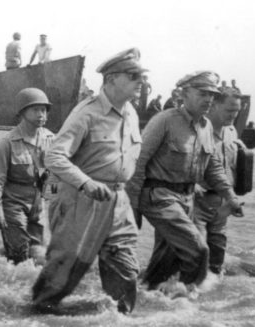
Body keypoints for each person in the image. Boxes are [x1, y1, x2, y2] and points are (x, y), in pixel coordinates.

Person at [32, 48, 146, 314]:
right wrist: (86, 183)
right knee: (63, 274)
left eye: (140, 76)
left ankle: (120, 318)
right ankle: (35, 316)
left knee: (126, 269)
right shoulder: (87, 113)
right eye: (132, 76)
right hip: (82, 200)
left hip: (118, 201)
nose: (139, 81)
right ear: (111, 79)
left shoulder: (131, 113)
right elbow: (55, 157)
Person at [126, 71, 243, 296]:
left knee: (167, 261)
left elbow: (213, 167)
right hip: (159, 196)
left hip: (187, 199)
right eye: (202, 93)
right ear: (184, 94)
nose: (208, 99)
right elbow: (138, 161)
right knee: (198, 250)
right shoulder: (164, 121)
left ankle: (146, 299)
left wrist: (231, 197)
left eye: (211, 94)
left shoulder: (206, 126)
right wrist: (133, 205)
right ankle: (188, 300)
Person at [0, 88, 54, 264]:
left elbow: (55, 176)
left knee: (40, 254)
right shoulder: (8, 142)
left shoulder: (50, 139)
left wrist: (55, 205)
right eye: (36, 110)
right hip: (13, 206)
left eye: (44, 110)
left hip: (38, 206)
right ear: (22, 112)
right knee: (19, 255)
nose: (41, 114)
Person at [193, 86, 244, 280]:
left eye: (237, 111)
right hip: (198, 201)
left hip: (222, 204)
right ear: (214, 105)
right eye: (229, 110)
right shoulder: (197, 130)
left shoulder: (231, 131)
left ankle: (210, 297)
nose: (233, 115)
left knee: (216, 254)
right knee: (195, 252)